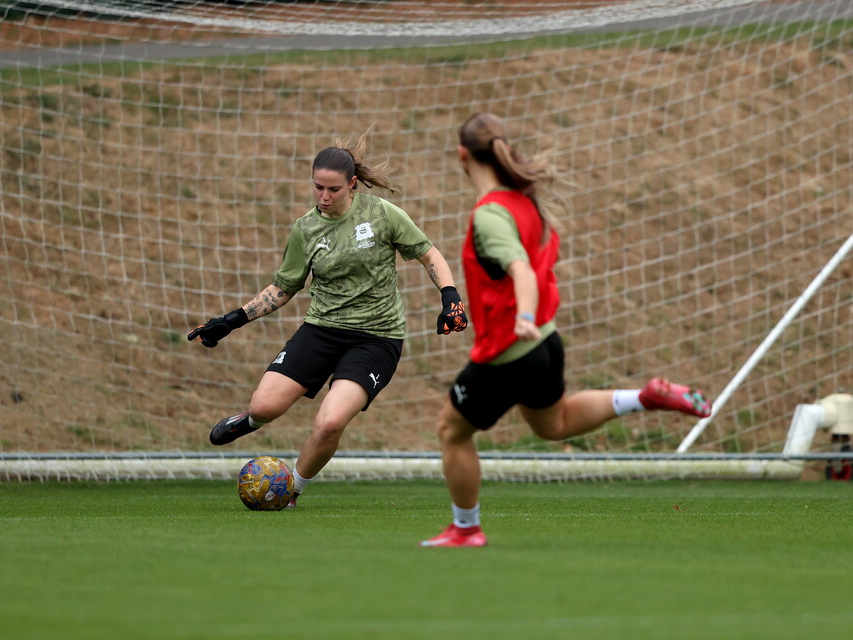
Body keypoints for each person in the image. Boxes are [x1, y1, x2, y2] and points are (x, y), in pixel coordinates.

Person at [420, 113, 712, 548]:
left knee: (451, 430)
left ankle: (466, 529)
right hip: (545, 342)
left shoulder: (490, 215)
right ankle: (644, 396)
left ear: (462, 155)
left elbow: (519, 268)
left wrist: (523, 315)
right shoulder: (525, 202)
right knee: (553, 424)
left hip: (512, 346)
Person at [189, 129, 468, 509]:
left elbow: (430, 255)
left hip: (376, 338)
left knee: (329, 423)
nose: (323, 196)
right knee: (264, 408)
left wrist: (450, 297)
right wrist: (232, 320)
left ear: (352, 185)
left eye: (333, 189)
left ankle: (290, 494)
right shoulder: (306, 229)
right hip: (321, 329)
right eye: (317, 187)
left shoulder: (381, 213)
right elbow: (284, 288)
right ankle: (249, 421)